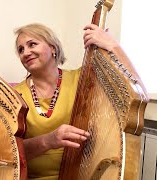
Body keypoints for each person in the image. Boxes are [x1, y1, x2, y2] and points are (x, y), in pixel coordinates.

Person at [13, 23, 126, 179]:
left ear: (53, 48)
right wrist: (48, 141)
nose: (25, 52)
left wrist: (113, 46)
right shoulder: (14, 95)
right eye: (21, 50)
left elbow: (131, 88)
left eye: (32, 44)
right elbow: (10, 151)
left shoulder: (83, 79)